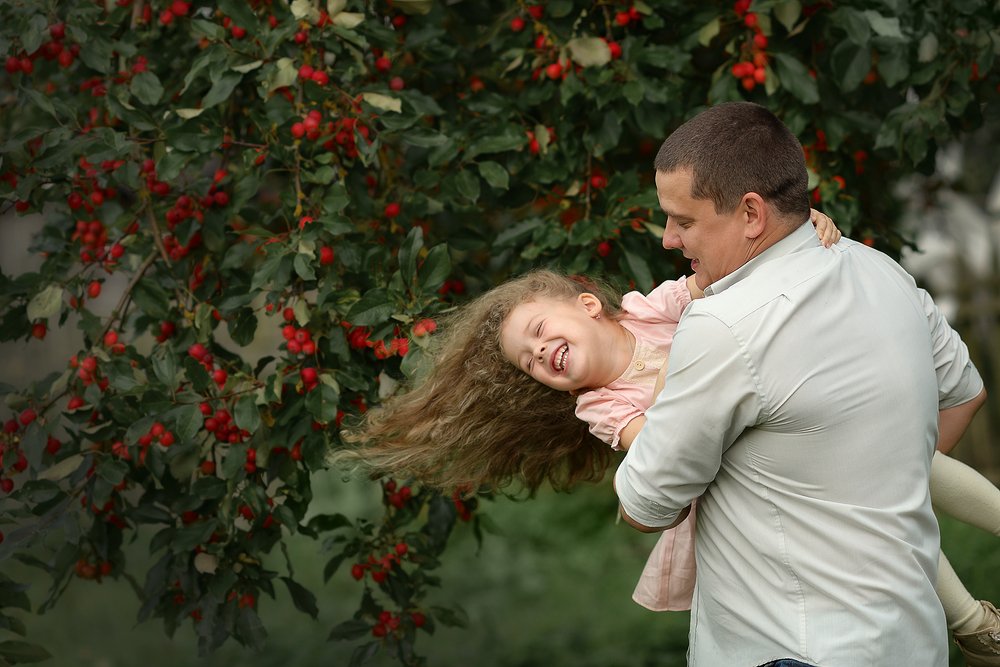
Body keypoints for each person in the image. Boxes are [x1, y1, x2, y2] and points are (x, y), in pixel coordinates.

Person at [613, 101, 989, 666]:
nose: (668, 239)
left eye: (683, 220)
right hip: (913, 641)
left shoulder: (723, 324)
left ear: (751, 214)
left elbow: (644, 507)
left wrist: (610, 407)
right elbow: (965, 393)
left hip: (792, 650)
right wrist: (872, 493)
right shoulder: (880, 269)